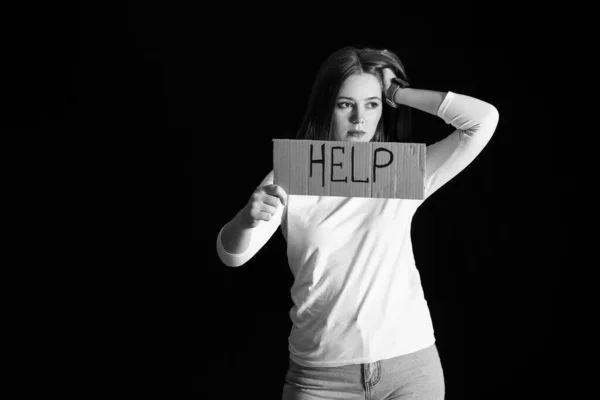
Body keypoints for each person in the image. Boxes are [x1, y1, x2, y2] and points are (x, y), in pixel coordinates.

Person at [216, 46, 499, 399]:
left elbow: (482, 120)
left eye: (372, 104)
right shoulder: (292, 174)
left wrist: (398, 91)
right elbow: (233, 255)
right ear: (327, 106)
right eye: (345, 104)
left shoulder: (402, 173)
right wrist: (246, 218)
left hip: (410, 369)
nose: (359, 119)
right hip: (320, 378)